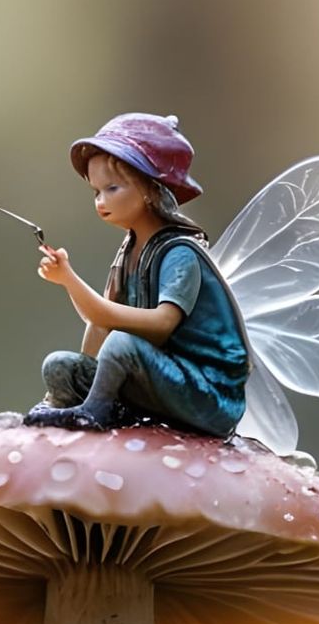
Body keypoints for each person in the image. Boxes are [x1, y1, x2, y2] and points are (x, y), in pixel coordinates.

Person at [24, 113, 250, 437]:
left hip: (205, 394)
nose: (101, 201)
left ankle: (94, 414)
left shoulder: (179, 254)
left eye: (112, 188)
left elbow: (159, 328)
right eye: (96, 192)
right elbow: (99, 324)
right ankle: (75, 409)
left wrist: (69, 279)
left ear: (148, 188)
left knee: (122, 343)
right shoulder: (129, 251)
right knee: (59, 366)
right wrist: (81, 380)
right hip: (152, 378)